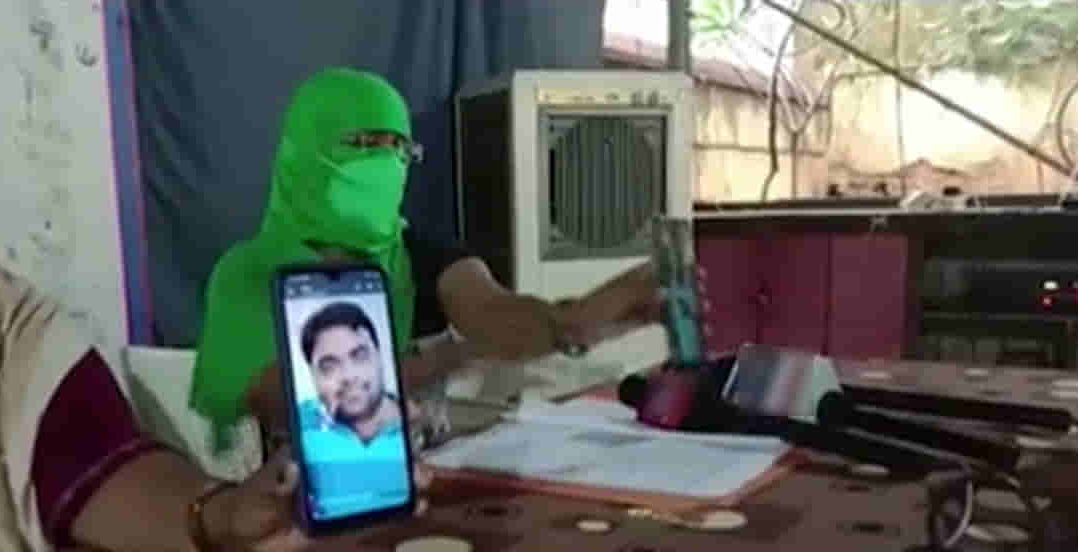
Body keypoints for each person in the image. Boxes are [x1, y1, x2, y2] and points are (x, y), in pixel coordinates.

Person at [0, 57, 429, 552]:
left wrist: (219, 517)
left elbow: (97, 458)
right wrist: (431, 363)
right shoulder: (246, 271)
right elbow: (262, 395)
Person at [191, 67, 705, 449]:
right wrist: (452, 356)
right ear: (305, 148)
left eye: (398, 149)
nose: (386, 163)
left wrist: (582, 320)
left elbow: (494, 312)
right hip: (295, 512)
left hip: (425, 492)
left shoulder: (421, 255)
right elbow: (281, 400)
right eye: (365, 144)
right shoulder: (248, 274)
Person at [295, 302, 410, 518]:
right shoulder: (302, 421)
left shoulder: (414, 423)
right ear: (313, 376)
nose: (348, 376)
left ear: (380, 358)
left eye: (359, 356)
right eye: (329, 367)